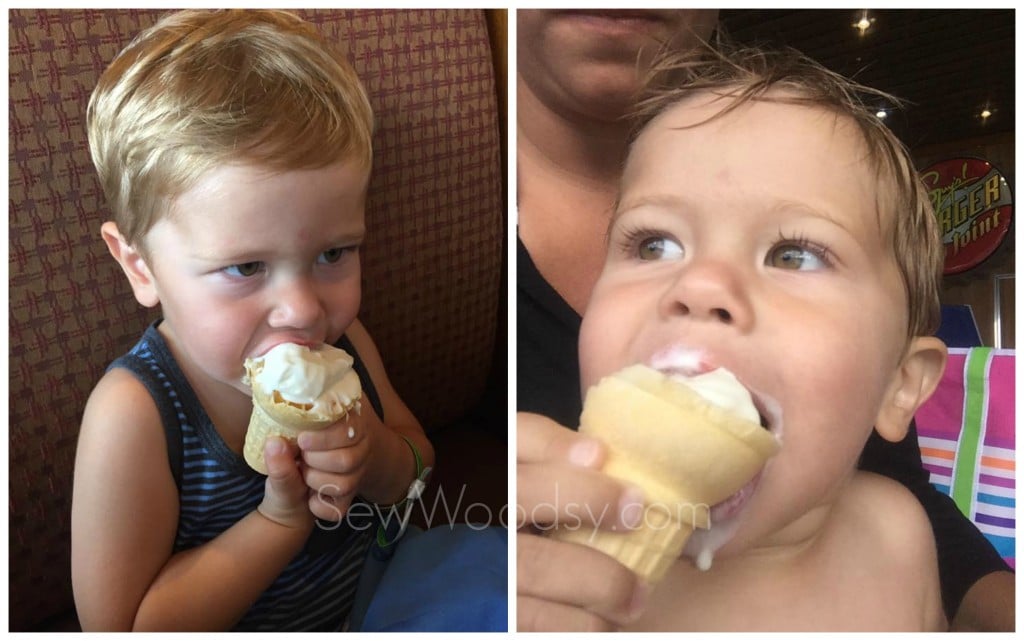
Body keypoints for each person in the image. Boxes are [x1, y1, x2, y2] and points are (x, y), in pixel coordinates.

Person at [516, 9, 1014, 632]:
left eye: (793, 254)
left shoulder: (898, 535)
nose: (698, 286)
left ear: (900, 385)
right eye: (653, 245)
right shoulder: (554, 579)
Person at [71, 10, 434, 631]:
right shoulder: (135, 414)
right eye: (244, 267)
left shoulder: (345, 344)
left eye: (332, 254)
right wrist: (278, 523)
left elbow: (419, 466)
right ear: (140, 268)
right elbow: (122, 626)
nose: (304, 311)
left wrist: (377, 460)